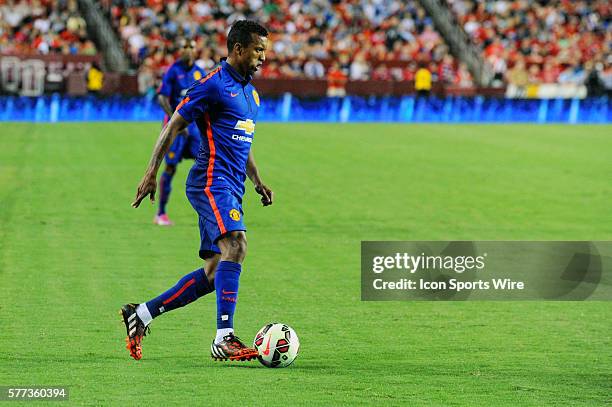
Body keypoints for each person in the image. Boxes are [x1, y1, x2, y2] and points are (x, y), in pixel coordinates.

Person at [121, 20, 273, 362]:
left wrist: (257, 180)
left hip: (233, 184)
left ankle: (141, 314)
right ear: (238, 49)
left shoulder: (251, 93)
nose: (264, 57)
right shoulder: (212, 85)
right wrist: (151, 171)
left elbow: (241, 141)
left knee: (215, 270)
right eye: (258, 50)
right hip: (210, 180)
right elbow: (175, 122)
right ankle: (224, 337)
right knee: (236, 244)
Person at [154, 38, 207, 225]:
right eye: (184, 46)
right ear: (179, 50)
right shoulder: (172, 70)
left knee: (206, 165)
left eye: (191, 47)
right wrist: (174, 121)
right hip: (176, 130)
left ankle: (209, 212)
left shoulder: (200, 72)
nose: (188, 50)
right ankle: (160, 213)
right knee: (170, 167)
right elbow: (162, 98)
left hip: (193, 130)